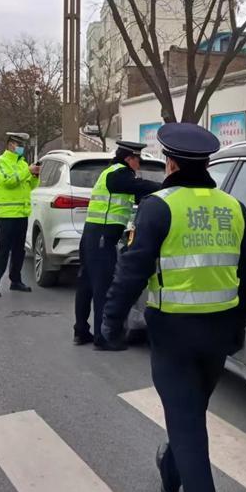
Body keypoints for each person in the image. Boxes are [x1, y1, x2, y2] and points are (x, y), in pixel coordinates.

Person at [100, 123, 246, 492]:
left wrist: (111, 323)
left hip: (174, 336)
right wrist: (240, 325)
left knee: (189, 431)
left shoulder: (158, 206)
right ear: (206, 163)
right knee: (188, 414)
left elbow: (131, 269)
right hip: (219, 335)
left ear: (170, 163)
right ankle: (169, 468)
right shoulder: (234, 207)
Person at [73, 140, 162, 347]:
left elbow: (139, 193)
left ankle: (81, 331)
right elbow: (139, 186)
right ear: (129, 159)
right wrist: (164, 187)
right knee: (102, 286)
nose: (139, 165)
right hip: (103, 237)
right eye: (138, 160)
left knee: (87, 283)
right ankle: (103, 338)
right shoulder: (119, 174)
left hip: (93, 235)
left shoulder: (112, 173)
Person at [0, 132, 40, 297]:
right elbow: (8, 181)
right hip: (7, 214)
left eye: (23, 145)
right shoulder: (0, 163)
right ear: (10, 144)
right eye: (19, 144)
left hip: (21, 213)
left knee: (19, 251)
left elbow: (30, 186)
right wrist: (27, 171)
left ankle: (16, 280)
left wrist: (35, 175)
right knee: (2, 250)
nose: (22, 148)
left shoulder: (22, 163)